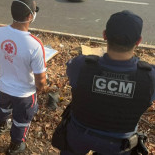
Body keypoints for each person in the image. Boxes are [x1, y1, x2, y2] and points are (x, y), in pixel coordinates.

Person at [56, 10, 155, 154]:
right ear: (139, 41)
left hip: (79, 134)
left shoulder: (80, 65)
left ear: (104, 35)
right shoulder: (150, 77)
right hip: (119, 143)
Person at [0, 0, 47, 154]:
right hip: (25, 93)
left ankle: (0, 127)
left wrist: (5, 58)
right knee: (21, 120)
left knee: (3, 108)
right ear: (30, 16)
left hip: (4, 86)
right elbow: (41, 80)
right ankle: (16, 145)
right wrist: (40, 88)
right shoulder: (35, 44)